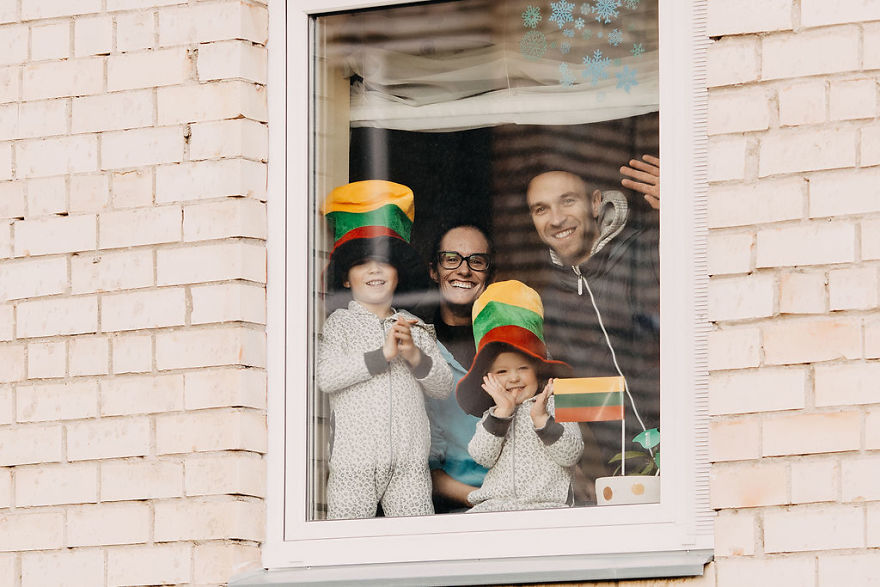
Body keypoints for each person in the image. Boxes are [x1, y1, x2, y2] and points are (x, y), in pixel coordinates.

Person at [525, 156, 661, 500]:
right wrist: (578, 471)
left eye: (567, 201)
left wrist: (687, 213)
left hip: (696, 452)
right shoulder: (546, 302)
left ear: (596, 202)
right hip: (624, 477)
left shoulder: (651, 249)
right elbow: (576, 402)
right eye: (541, 209)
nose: (556, 219)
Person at [317, 180, 453, 519]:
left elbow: (443, 386)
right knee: (346, 539)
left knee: (415, 539)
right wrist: (382, 357)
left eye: (384, 262)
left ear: (397, 275)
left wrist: (415, 357)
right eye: (362, 263)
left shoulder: (413, 325)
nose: (374, 270)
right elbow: (327, 376)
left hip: (409, 463)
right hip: (354, 463)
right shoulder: (340, 324)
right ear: (347, 279)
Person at [455, 281, 583, 512]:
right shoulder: (493, 415)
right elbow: (481, 456)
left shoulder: (554, 404)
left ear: (538, 370)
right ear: (488, 379)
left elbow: (571, 454)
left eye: (522, 368)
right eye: (502, 372)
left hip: (547, 506)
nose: (513, 378)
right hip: (495, 508)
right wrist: (502, 413)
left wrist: (542, 419)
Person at [424, 224, 494, 512]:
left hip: (512, 504)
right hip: (444, 512)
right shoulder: (415, 343)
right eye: (451, 259)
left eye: (476, 261)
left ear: (489, 274)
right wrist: (485, 502)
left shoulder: (507, 344)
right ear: (433, 270)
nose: (464, 271)